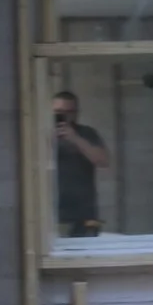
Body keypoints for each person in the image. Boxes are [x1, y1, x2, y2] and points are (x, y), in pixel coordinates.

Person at [52, 91, 110, 237]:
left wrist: (75, 139)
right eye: (59, 112)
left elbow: (103, 161)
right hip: (51, 214)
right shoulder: (41, 133)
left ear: (76, 113)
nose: (64, 117)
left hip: (83, 213)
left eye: (69, 112)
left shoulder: (86, 133)